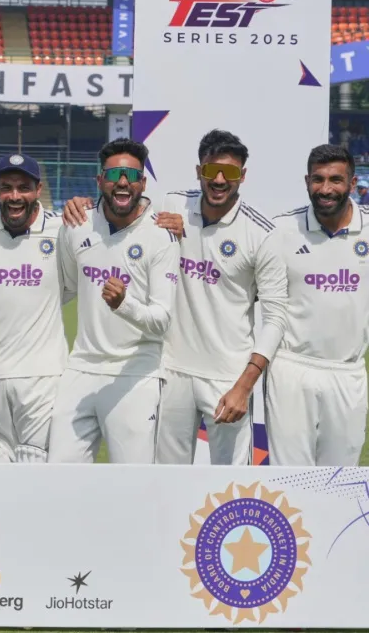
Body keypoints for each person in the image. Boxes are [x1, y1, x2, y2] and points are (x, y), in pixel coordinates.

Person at [66, 130, 287, 465]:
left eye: (229, 173)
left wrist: (245, 385)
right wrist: (82, 203)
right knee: (167, 484)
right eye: (211, 172)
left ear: (242, 176)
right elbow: (124, 200)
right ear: (199, 171)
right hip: (171, 373)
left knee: (230, 484)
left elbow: (275, 318)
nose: (219, 181)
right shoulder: (172, 204)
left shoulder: (262, 234)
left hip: (227, 377)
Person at [47, 138, 180, 464]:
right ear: (99, 180)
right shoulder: (76, 225)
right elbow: (64, 290)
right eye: (114, 174)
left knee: (132, 484)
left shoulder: (161, 234)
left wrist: (124, 303)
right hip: (81, 370)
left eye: (132, 176)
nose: (123, 182)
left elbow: (162, 319)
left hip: (136, 376)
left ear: (143, 184)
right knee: (58, 479)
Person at [263, 144, 368, 465]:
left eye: (336, 180)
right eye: (318, 179)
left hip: (347, 373)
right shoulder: (281, 230)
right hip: (291, 369)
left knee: (338, 484)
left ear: (352, 184)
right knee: (289, 483)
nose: (326, 189)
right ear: (307, 181)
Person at [0, 153, 67, 464]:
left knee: (36, 472)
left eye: (23, 187)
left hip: (44, 377)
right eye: (6, 187)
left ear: (38, 190)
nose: (14, 196)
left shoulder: (64, 229)